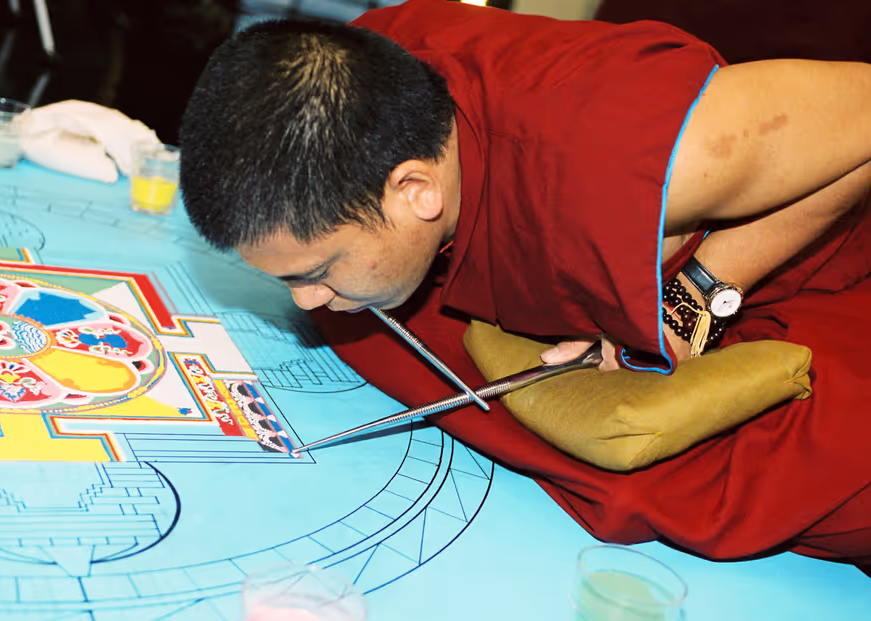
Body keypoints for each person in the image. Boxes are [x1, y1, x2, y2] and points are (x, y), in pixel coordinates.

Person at [180, 0, 871, 566]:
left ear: (415, 190)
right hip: (561, 217)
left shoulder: (632, 147)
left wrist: (694, 292)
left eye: (318, 270)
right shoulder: (354, 67)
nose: (302, 298)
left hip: (820, 276)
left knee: (692, 480)